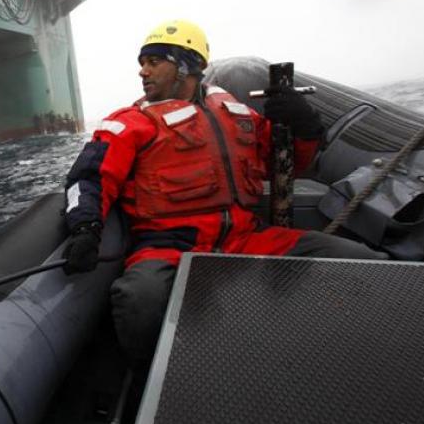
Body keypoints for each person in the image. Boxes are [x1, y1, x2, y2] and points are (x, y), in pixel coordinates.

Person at [62, 19, 387, 361]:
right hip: (169, 245)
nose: (143, 72)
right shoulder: (131, 122)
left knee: (363, 261)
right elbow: (88, 179)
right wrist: (85, 228)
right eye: (142, 63)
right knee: (140, 301)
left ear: (187, 65)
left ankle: (357, 351)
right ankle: (150, 383)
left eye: (154, 61)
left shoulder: (235, 113)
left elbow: (286, 165)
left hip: (247, 235)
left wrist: (305, 126)